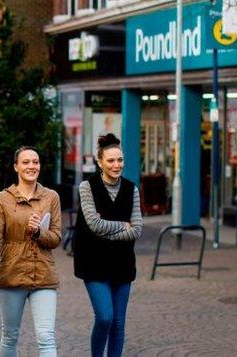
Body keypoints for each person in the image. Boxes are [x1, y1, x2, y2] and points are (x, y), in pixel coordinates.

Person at [0, 147, 62, 357]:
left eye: (35, 162)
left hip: (43, 274)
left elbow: (55, 239)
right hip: (12, 273)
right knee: (10, 335)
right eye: (26, 162)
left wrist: (38, 232)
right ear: (16, 166)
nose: (31, 166)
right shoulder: (2, 199)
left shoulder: (51, 197)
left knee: (46, 337)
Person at [73, 133, 143, 357]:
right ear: (100, 162)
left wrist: (110, 231)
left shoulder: (132, 189)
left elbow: (137, 229)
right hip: (93, 262)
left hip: (122, 263)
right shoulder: (87, 187)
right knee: (105, 317)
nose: (116, 165)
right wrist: (123, 226)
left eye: (120, 160)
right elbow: (93, 224)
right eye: (111, 160)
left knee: (119, 323)